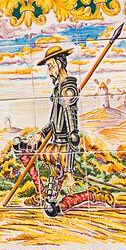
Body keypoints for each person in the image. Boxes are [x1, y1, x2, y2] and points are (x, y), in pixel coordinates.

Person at [36, 45, 81, 217]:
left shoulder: (67, 90)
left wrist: (70, 172)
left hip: (64, 147)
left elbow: (73, 135)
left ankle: (55, 200)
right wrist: (42, 132)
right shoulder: (58, 90)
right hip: (55, 143)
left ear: (60, 64)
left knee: (58, 173)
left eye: (50, 66)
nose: (49, 72)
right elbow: (54, 121)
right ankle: (50, 200)